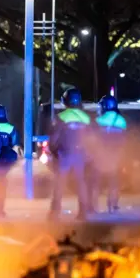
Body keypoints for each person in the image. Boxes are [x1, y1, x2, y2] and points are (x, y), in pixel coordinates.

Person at [49, 88, 92, 220]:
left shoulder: (62, 117)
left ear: (65, 101)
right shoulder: (86, 118)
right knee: (81, 183)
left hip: (65, 154)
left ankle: (54, 213)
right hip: (80, 154)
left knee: (60, 183)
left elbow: (54, 138)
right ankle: (83, 212)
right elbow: (91, 138)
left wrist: (54, 152)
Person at [88, 95, 127, 213]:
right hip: (115, 157)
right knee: (114, 182)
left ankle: (93, 205)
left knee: (95, 182)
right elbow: (124, 140)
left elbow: (91, 139)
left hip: (99, 156)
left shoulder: (98, 121)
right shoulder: (121, 121)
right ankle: (113, 205)